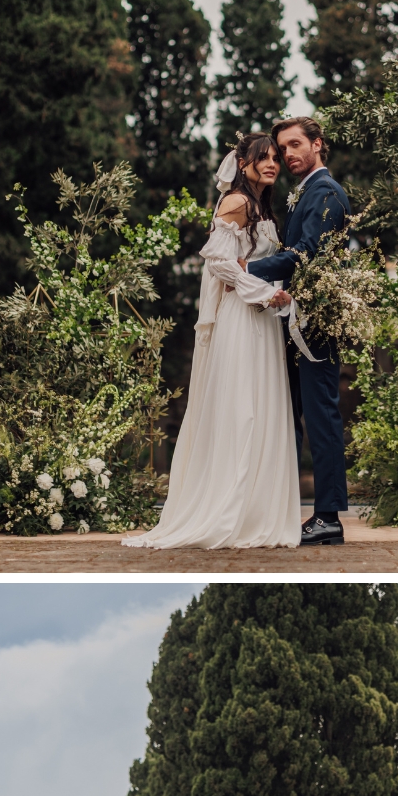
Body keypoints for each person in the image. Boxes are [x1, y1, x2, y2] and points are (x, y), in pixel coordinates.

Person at [122, 134, 300, 551]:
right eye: (264, 158)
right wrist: (262, 292)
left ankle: (257, 511)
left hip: (265, 320)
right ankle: (228, 511)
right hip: (242, 316)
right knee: (243, 410)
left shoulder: (261, 206)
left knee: (263, 407)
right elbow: (220, 264)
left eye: (276, 157)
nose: (272, 163)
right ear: (243, 162)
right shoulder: (235, 203)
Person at [246, 118, 352, 546]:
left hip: (315, 326)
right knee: (288, 415)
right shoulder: (305, 193)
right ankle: (281, 509)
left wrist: (247, 269)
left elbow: (304, 255)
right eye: (282, 148)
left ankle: (327, 518)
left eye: (294, 145)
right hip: (294, 320)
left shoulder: (325, 193)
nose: (287, 154)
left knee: (321, 417)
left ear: (317, 145)